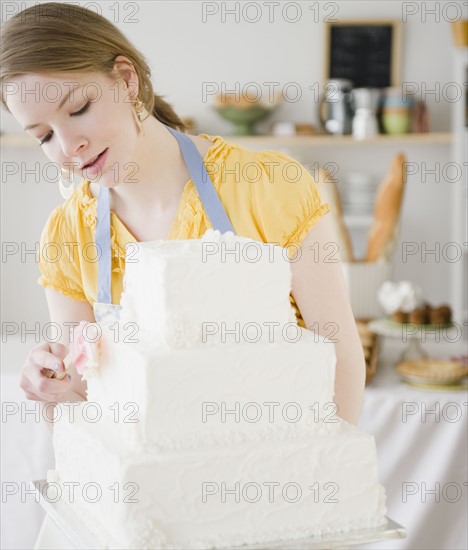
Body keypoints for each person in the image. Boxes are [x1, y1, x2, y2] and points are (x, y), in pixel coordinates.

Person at [1, 2, 365, 425]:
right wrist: (53, 387)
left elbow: (340, 358)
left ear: (125, 79)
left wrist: (322, 476)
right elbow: (89, 399)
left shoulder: (270, 186)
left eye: (79, 108)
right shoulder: (67, 237)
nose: (68, 148)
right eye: (44, 136)